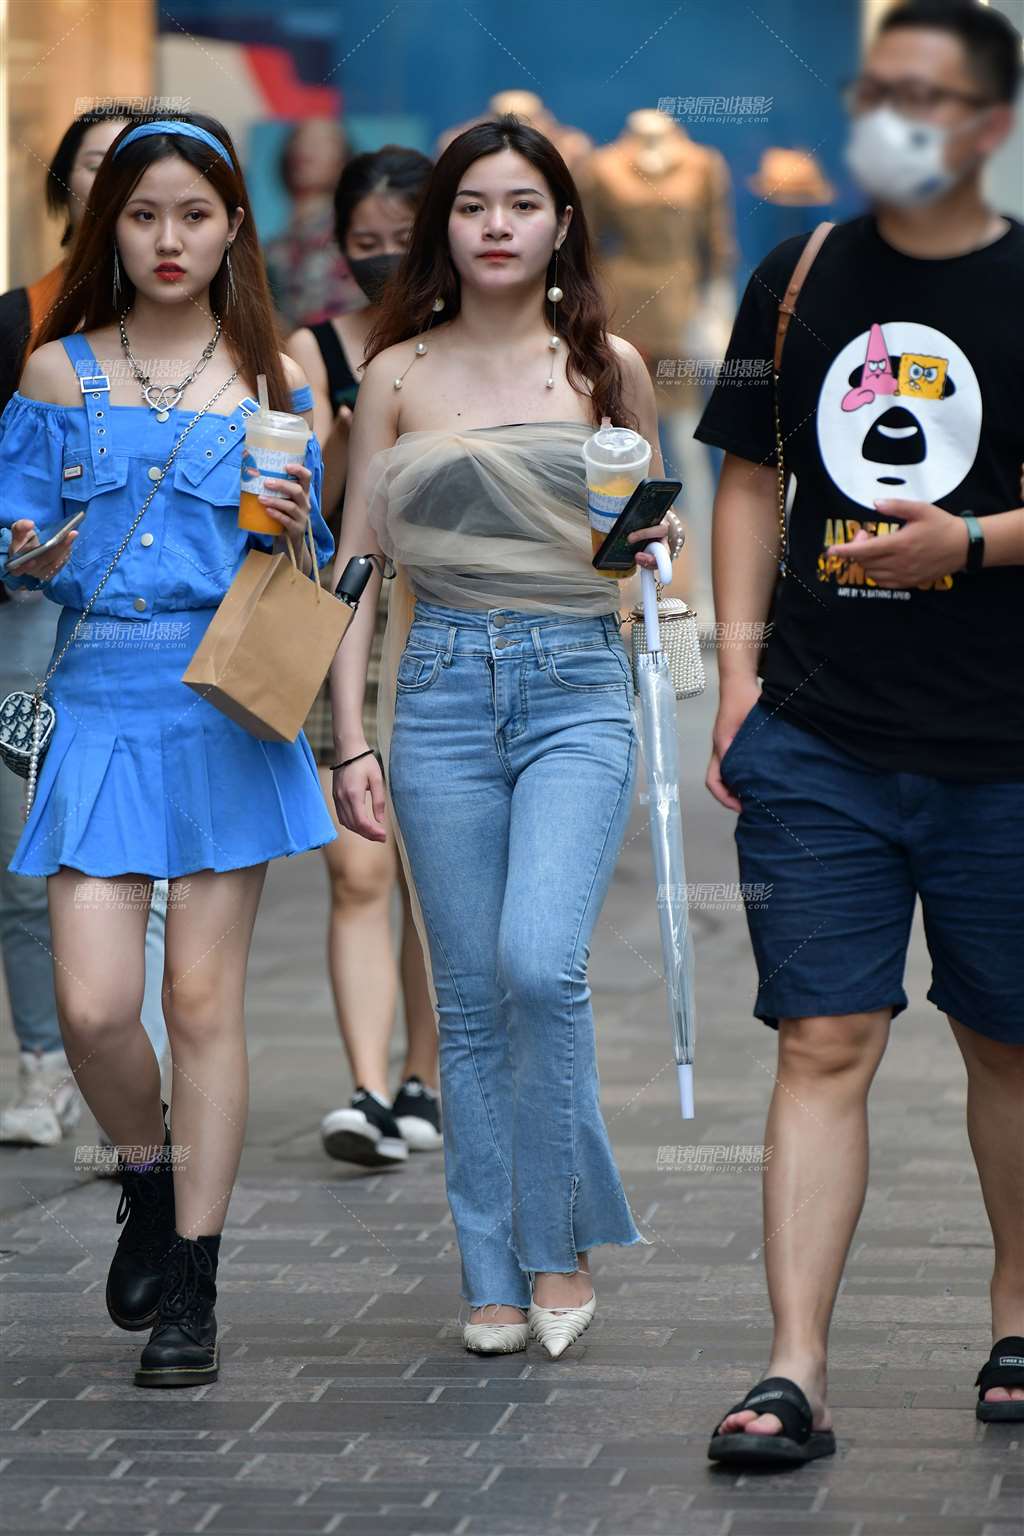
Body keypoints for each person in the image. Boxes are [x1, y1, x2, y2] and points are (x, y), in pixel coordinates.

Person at [694, 1, 1024, 1466]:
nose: (895, 116)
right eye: (879, 88)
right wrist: (736, 677)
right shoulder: (798, 275)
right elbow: (748, 478)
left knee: (1007, 1047)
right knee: (823, 1038)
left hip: (1003, 740)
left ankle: (1016, 1321)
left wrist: (973, 544)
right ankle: (794, 1373)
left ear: (990, 124)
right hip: (819, 735)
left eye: (927, 95)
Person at [327, 115, 684, 1359]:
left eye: (521, 204)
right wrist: (350, 738)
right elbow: (355, 570)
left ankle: (559, 1241)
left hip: (574, 683)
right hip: (434, 689)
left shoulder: (608, 367)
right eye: (473, 204)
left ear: (560, 223)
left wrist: (653, 548)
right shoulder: (394, 375)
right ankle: (493, 1267)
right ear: (445, 225)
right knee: (471, 1000)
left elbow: (645, 553)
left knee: (541, 965)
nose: (495, 226)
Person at [0, 112, 335, 1388]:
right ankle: (147, 1179)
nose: (168, 238)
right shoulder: (54, 371)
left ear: (233, 226)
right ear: (109, 229)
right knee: (94, 1007)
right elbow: (13, 543)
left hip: (219, 705)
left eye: (194, 214)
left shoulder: (271, 376)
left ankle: (194, 1282)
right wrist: (25, 553)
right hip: (97, 701)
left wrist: (292, 525)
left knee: (200, 1003)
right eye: (142, 215)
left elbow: (302, 566)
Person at [0, 104, 171, 1149]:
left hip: (169, 637)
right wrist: (17, 548)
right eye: (100, 168)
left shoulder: (214, 332)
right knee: (29, 836)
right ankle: (44, 1060)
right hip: (34, 619)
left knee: (156, 875)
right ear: (68, 186)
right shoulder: (21, 320)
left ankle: (139, 1110)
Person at [287, 146, 440, 1168]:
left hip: (443, 625)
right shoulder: (314, 349)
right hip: (342, 625)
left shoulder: (471, 349)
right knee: (359, 866)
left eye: (401, 238)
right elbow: (311, 517)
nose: (382, 257)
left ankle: (424, 1074)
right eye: (364, 241)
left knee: (432, 874)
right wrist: (344, 441)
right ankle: (368, 1089)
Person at [264, 118, 363, 330]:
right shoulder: (274, 248)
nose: (306, 147)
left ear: (343, 160)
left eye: (323, 141)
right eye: (300, 139)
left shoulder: (356, 235)